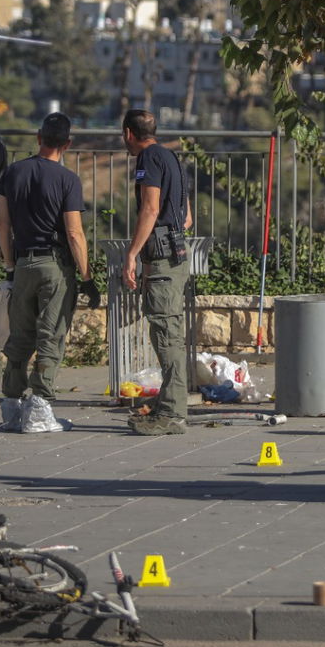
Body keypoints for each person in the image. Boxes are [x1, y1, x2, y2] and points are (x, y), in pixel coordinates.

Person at [0, 113, 90, 433]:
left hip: (23, 264)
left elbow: (3, 225)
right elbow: (74, 233)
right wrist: (87, 276)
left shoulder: (13, 172)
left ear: (39, 138)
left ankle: (11, 405)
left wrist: (10, 266)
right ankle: (39, 408)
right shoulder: (68, 180)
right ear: (67, 144)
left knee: (20, 335)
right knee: (51, 335)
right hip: (55, 266)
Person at [122, 110, 196, 436]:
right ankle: (169, 403)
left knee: (166, 336)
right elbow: (187, 218)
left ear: (128, 133)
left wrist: (132, 254)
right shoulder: (171, 157)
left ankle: (172, 414)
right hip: (177, 255)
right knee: (170, 334)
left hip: (163, 258)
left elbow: (151, 208)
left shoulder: (148, 159)